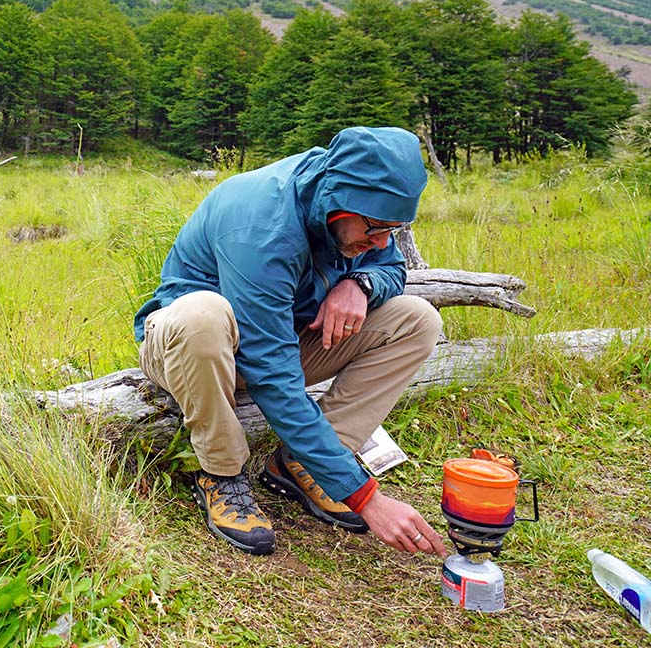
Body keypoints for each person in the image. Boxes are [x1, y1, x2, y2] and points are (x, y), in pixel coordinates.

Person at [134, 126, 448, 558]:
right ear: (338, 203)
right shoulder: (261, 223)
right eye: (374, 230)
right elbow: (271, 371)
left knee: (417, 320)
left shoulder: (357, 209)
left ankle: (301, 465)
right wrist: (366, 498)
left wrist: (360, 282)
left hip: (279, 338)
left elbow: (392, 267)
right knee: (202, 313)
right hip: (190, 348)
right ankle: (221, 472)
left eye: (393, 230)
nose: (380, 242)